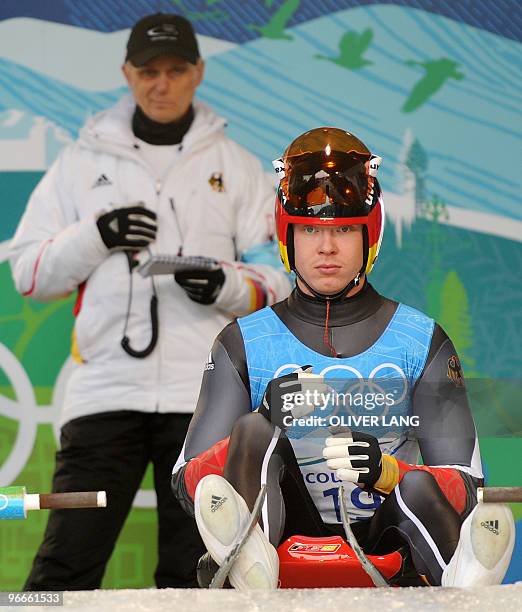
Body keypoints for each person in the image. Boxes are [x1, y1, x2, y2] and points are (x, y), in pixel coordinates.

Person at [9, 13, 291, 590]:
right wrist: (97, 235)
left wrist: (227, 287)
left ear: (199, 73)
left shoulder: (235, 166)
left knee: (196, 572)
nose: (160, 84)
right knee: (66, 563)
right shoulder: (80, 162)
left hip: (204, 398)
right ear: (126, 74)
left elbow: (282, 278)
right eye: (147, 71)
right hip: (103, 394)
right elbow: (28, 274)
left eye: (175, 70)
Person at [171, 127, 515, 589]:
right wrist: (266, 414)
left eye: (344, 230)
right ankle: (248, 560)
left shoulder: (420, 338)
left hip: (390, 545)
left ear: (369, 237)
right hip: (277, 543)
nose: (326, 248)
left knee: (414, 485)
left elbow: (467, 484)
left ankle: (468, 584)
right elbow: (188, 483)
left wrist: (387, 472)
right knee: (252, 430)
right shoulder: (243, 341)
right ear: (286, 236)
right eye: (310, 228)